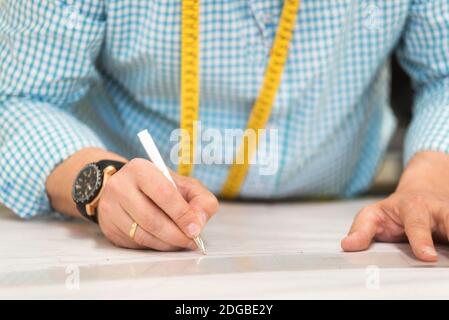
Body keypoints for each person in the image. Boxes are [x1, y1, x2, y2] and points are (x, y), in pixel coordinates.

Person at [1, 0, 448, 262]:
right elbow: (15, 99)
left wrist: (429, 183)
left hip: (349, 216)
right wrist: (100, 181)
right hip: (124, 244)